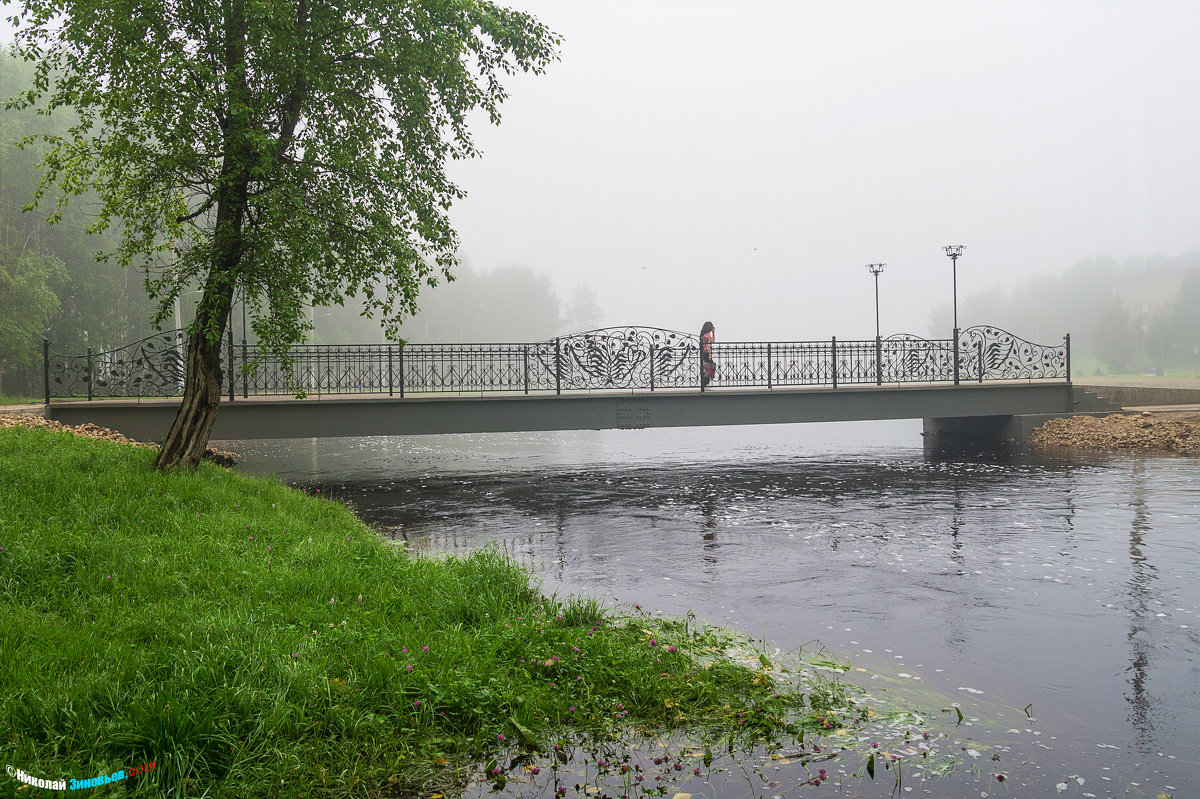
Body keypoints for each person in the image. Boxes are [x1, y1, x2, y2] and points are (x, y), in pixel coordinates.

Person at [699, 321, 716, 389]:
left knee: (707, 368)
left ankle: (706, 384)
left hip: (705, 353)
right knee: (709, 368)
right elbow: (708, 344)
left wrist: (713, 332)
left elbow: (712, 341)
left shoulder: (705, 334)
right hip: (707, 354)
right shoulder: (707, 335)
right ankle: (706, 384)